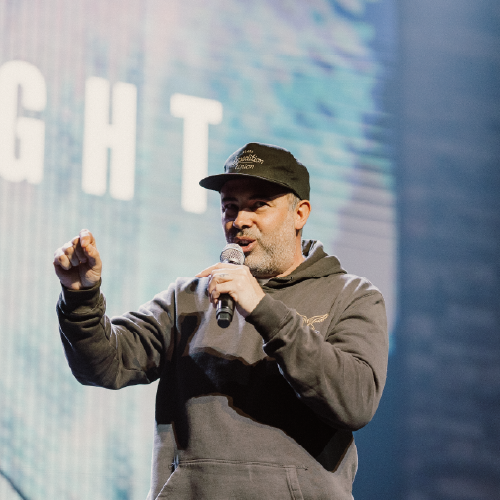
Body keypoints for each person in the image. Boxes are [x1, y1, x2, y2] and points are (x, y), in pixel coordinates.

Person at [54, 142, 388, 500]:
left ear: (300, 214)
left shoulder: (351, 295)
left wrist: (264, 309)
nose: (239, 220)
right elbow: (105, 366)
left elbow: (355, 403)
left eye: (258, 205)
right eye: (230, 206)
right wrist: (81, 296)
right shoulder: (187, 299)